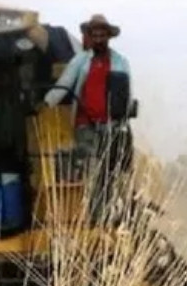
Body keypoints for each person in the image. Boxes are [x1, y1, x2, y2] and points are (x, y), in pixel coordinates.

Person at [44, 14, 132, 226]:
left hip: (111, 126)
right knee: (94, 167)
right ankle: (94, 219)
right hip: (86, 124)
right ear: (90, 37)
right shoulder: (81, 61)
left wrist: (126, 114)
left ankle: (104, 215)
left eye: (102, 34)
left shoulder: (121, 63)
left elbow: (125, 95)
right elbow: (64, 84)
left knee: (109, 172)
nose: (98, 38)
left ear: (109, 37)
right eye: (95, 34)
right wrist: (46, 103)